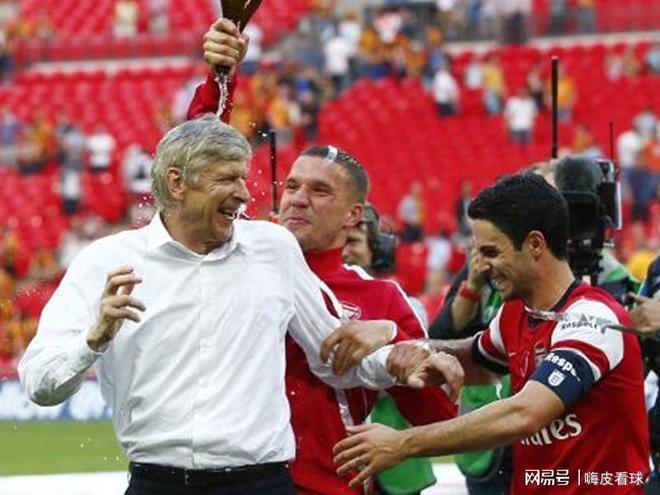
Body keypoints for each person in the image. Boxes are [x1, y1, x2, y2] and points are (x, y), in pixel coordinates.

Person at [19, 116, 418, 495]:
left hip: (262, 483)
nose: (244, 193)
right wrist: (94, 340)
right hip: (156, 483)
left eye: (243, 178)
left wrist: (404, 359)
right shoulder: (104, 261)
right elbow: (39, 384)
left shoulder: (273, 248)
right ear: (177, 183)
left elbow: (332, 355)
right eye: (227, 179)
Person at [190, 21, 460, 494]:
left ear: (354, 215)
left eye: (319, 190)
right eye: (292, 185)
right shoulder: (239, 255)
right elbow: (196, 163)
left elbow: (435, 413)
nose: (297, 198)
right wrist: (219, 78)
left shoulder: (381, 298)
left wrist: (394, 341)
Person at [334, 173, 650, 494]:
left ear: (535, 245)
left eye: (491, 252)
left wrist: (404, 443)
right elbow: (476, 360)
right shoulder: (516, 313)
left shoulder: (592, 319)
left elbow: (524, 414)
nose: (481, 266)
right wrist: (401, 343)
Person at [343, 204, 439, 495]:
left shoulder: (406, 306)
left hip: (397, 463)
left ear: (377, 250)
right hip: (338, 461)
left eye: (352, 241)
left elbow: (413, 374)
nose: (342, 251)